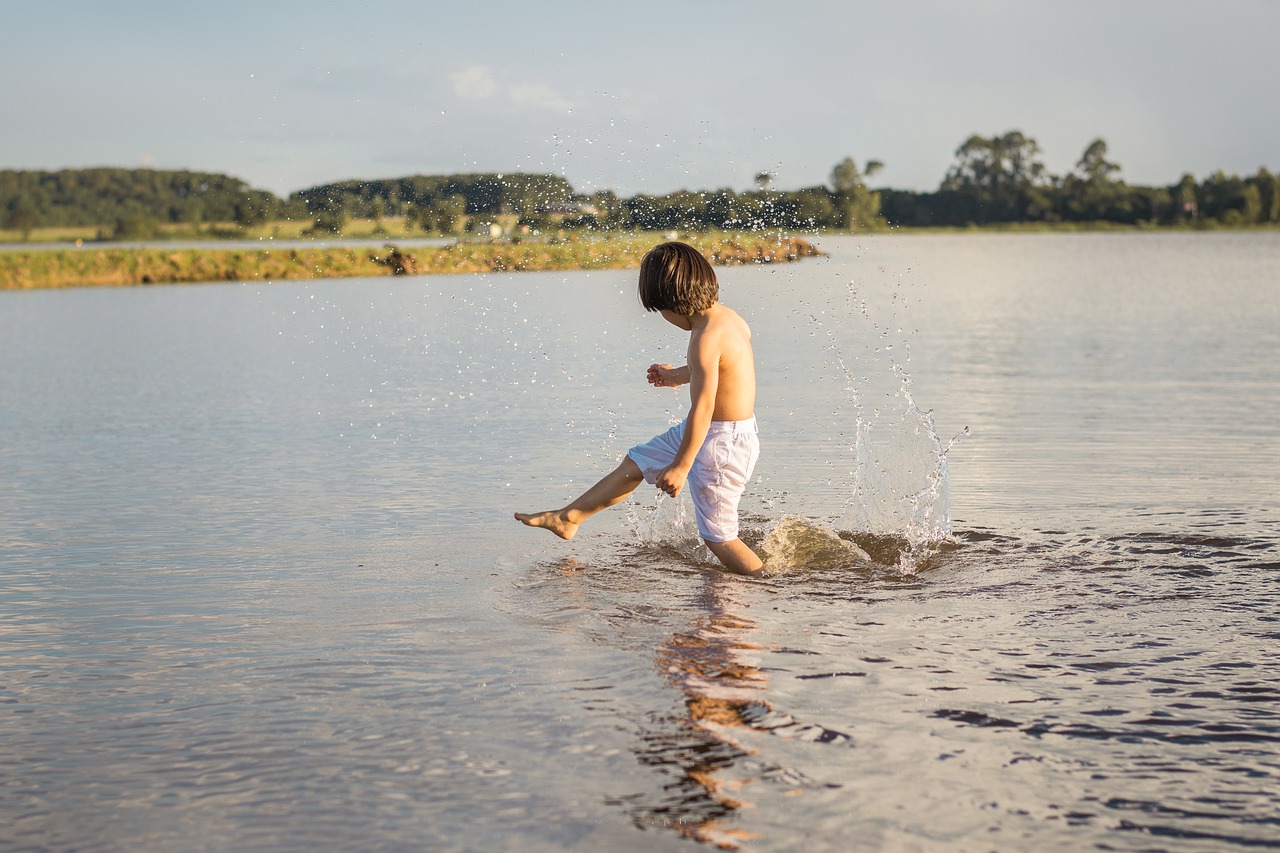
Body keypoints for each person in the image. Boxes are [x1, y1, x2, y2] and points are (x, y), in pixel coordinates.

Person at [514, 241, 764, 576]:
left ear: (675, 303)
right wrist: (677, 376)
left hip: (719, 442)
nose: (665, 318)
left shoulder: (705, 339)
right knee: (638, 462)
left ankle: (764, 583)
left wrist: (680, 465)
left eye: (661, 311)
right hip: (719, 433)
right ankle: (568, 518)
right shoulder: (727, 319)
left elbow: (703, 407)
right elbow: (721, 369)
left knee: (718, 536)